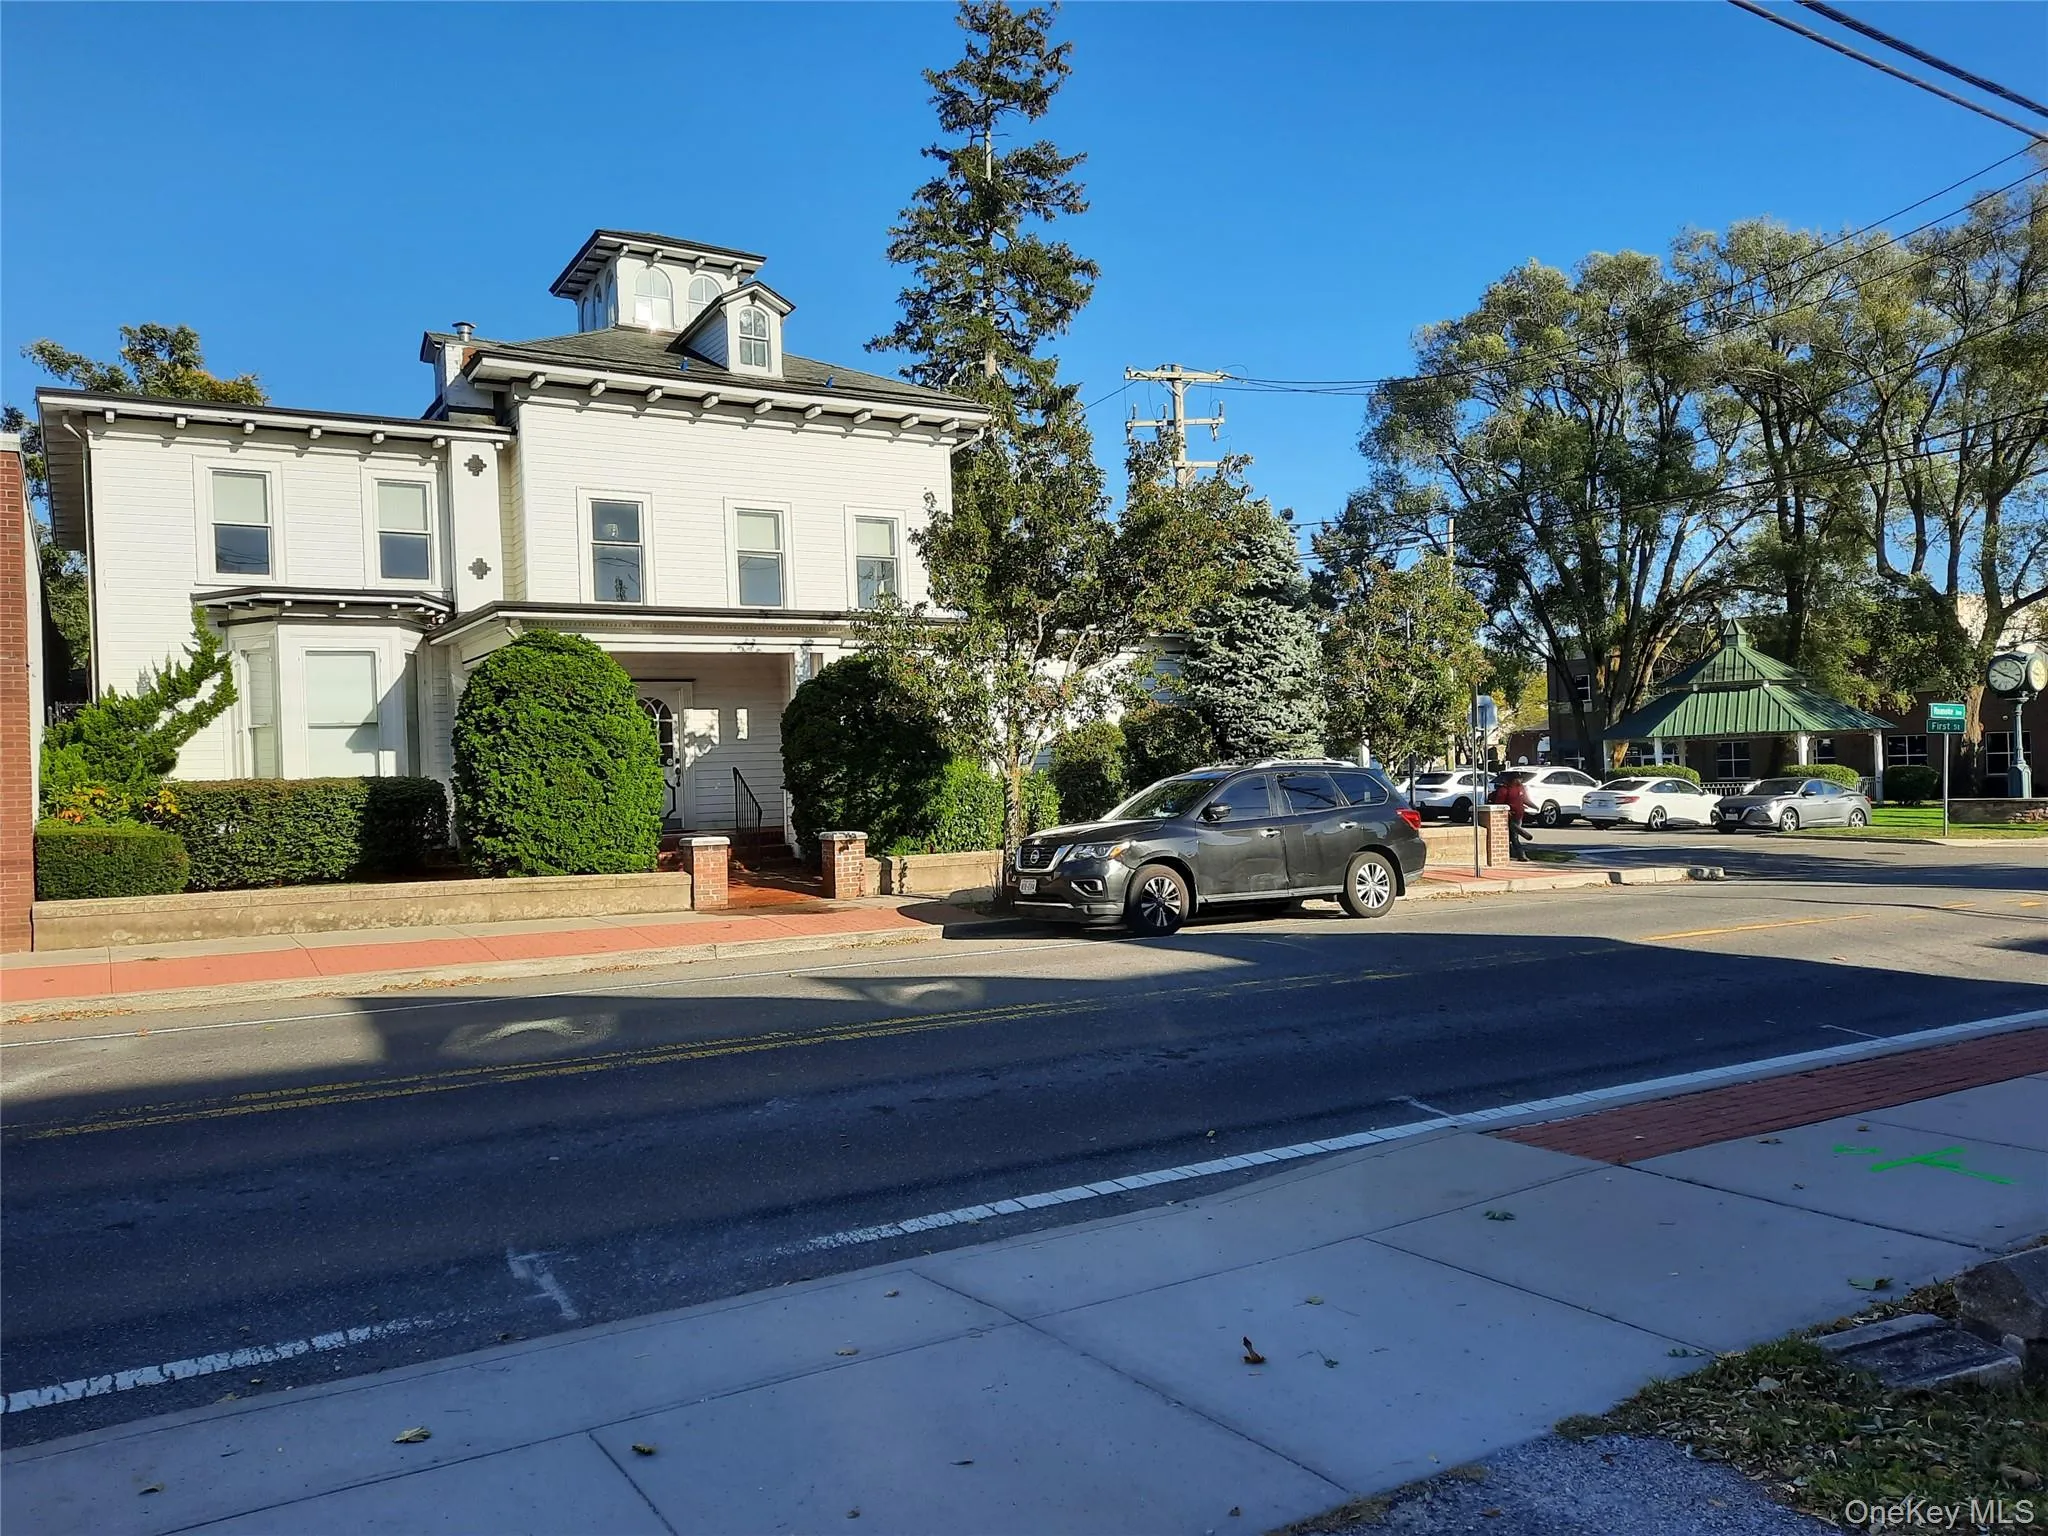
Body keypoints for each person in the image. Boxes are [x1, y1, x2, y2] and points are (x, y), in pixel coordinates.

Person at [1499, 773, 1534, 861]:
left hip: (1519, 815)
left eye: (1521, 778)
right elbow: (1499, 803)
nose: (1521, 780)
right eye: (1518, 778)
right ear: (1513, 780)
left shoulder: (1521, 788)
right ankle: (1520, 855)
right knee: (1512, 836)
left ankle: (1516, 854)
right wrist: (1506, 812)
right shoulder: (1504, 789)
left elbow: (1525, 799)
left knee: (1513, 836)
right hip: (1508, 816)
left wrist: (1534, 806)